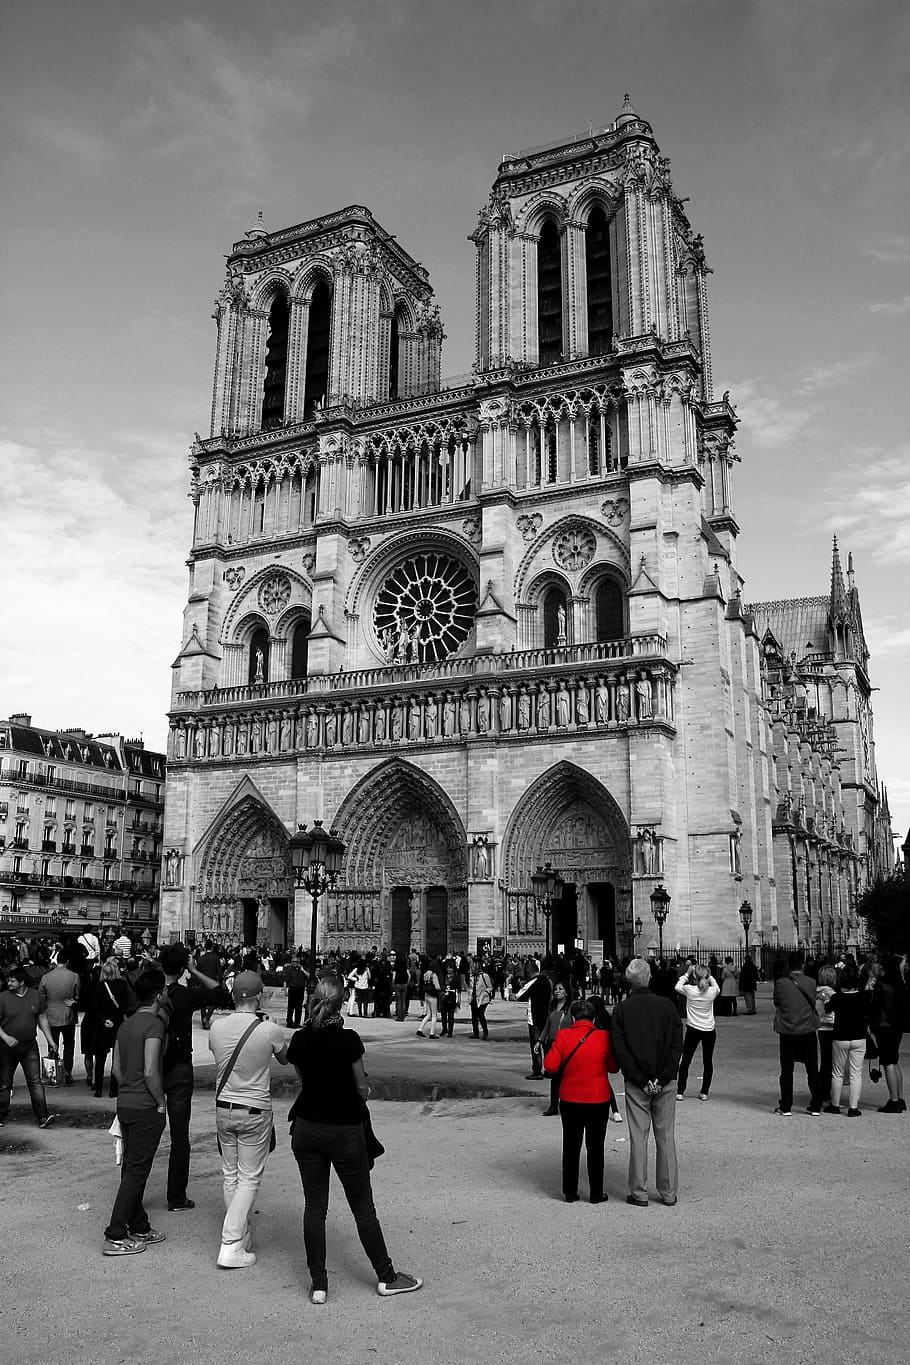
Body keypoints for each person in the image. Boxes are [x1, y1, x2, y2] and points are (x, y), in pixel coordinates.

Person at [288, 977, 422, 1303]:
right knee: (362, 1207)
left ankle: (319, 1284)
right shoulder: (348, 1039)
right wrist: (361, 1091)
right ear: (341, 1003)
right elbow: (361, 1087)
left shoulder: (300, 1039)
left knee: (314, 1207)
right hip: (344, 1130)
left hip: (306, 1128)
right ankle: (386, 1277)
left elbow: (305, 1082)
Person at [208, 970, 288, 1269]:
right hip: (254, 1108)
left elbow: (218, 1053)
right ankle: (230, 1242)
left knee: (231, 1174)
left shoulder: (217, 1026)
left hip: (223, 1106)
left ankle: (240, 1236)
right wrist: (271, 1028)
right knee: (250, 1177)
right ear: (260, 996)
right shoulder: (268, 1030)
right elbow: (284, 1058)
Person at [158, 942, 232, 1213]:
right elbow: (222, 994)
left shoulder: (149, 992)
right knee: (179, 1135)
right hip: (178, 1067)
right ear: (181, 968)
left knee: (144, 1134)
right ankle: (176, 1197)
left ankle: (132, 1193)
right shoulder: (185, 995)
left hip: (150, 1067)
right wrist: (194, 970)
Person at [102, 968, 168, 1256]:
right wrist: (161, 1100)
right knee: (137, 1170)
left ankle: (138, 1222)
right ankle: (116, 1232)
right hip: (145, 1104)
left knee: (131, 1166)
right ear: (159, 995)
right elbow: (152, 1069)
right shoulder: (154, 1026)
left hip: (126, 1101)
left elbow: (116, 1069)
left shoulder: (125, 1025)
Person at [610, 958, 683, 1207]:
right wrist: (661, 1078)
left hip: (637, 1082)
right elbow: (676, 1047)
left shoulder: (621, 1010)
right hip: (665, 1081)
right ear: (649, 977)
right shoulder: (667, 1006)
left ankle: (639, 1192)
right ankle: (669, 1192)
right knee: (665, 1136)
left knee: (638, 1138)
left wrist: (641, 1080)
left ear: (628, 981)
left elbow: (620, 1050)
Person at [543, 997, 619, 1203]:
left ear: (573, 1017)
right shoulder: (604, 1037)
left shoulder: (563, 1035)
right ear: (593, 1017)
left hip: (570, 1098)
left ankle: (570, 1191)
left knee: (571, 1146)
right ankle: (596, 1192)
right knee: (596, 1147)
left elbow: (550, 1065)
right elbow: (613, 1067)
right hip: (598, 1097)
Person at [0, 963, 56, 1128]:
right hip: (6, 1046)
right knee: (4, 1082)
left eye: (12, 981)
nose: (8, 983)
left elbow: (42, 1017)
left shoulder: (35, 995)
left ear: (21, 982)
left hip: (29, 1044)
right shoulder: (2, 998)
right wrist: (5, 1037)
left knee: (35, 1080)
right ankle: (0, 1114)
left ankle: (42, 1116)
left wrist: (50, 1040)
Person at [772, 955, 823, 1116]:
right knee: (812, 1069)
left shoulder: (780, 983)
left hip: (788, 1031)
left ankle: (786, 1105)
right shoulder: (811, 982)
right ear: (802, 966)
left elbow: (777, 1002)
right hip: (807, 1030)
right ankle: (816, 1104)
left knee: (786, 1070)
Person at [824, 963, 871, 1117]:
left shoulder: (838, 997)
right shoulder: (863, 997)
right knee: (856, 1074)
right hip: (859, 1037)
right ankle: (853, 1107)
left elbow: (827, 1009)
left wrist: (826, 999)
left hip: (840, 1036)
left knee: (837, 1073)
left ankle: (835, 1105)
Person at [675, 965, 720, 1101]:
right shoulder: (712, 991)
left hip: (693, 1028)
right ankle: (704, 1091)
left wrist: (687, 974)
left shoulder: (690, 990)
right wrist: (709, 976)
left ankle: (680, 1090)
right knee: (707, 1061)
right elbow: (717, 988)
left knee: (686, 1060)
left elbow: (677, 986)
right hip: (709, 1029)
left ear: (695, 976)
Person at [867, 958, 905, 1113]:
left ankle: (894, 1100)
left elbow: (874, 1009)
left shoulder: (880, 987)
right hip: (897, 1026)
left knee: (888, 1062)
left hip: (884, 1027)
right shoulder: (899, 984)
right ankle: (899, 1098)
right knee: (894, 1061)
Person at [37, 953, 81, 1085]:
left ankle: (52, 1073)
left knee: (52, 1044)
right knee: (69, 1044)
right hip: (68, 1014)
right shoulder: (74, 976)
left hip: (51, 1014)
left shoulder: (46, 977)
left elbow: (41, 996)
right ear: (67, 961)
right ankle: (67, 1072)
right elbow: (77, 995)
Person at [88, 958, 129, 1098]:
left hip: (102, 1023)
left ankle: (98, 1088)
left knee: (100, 1059)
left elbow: (95, 1007)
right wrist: (113, 1020)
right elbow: (123, 1006)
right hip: (117, 1023)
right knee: (116, 1059)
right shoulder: (122, 985)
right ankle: (113, 1088)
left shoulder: (98, 986)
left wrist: (103, 1019)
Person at [537, 981, 573, 1115]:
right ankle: (553, 1106)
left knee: (566, 1077)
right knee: (555, 1077)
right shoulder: (553, 1008)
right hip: (552, 1045)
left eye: (560, 989)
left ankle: (567, 1104)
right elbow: (547, 1026)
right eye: (556, 989)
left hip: (566, 1045)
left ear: (566, 992)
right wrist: (540, 1040)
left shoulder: (570, 1009)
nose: (557, 991)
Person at [515, 963, 553, 1079]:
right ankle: (550, 1069)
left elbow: (519, 996)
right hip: (547, 1016)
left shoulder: (532, 982)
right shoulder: (548, 981)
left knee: (536, 1045)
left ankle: (537, 1071)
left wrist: (520, 986)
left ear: (528, 972)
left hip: (535, 1017)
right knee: (547, 1045)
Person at [814, 965, 838, 1108]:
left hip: (821, 1028)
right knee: (831, 1063)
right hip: (831, 1028)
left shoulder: (817, 991)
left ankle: (823, 1090)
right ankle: (827, 1092)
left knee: (825, 1061)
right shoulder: (831, 993)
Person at [469, 959, 494, 1039]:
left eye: (473, 967)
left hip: (483, 999)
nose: (472, 968)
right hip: (474, 998)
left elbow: (490, 987)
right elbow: (470, 987)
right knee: (474, 1016)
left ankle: (485, 1032)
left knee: (481, 1014)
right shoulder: (471, 977)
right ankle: (475, 1032)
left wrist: (485, 992)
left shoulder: (484, 976)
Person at [416, 959, 441, 1038]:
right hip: (433, 996)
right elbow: (437, 987)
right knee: (434, 1015)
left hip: (426, 995)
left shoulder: (425, 974)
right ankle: (432, 1033)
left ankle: (420, 1029)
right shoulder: (434, 975)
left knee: (428, 1014)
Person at [283, 957, 308, 1029]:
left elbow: (309, 976)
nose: (294, 963)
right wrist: (285, 991)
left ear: (299, 962)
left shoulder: (302, 969)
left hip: (300, 989)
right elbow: (285, 981)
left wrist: (303, 970)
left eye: (296, 962)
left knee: (299, 1007)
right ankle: (289, 1022)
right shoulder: (289, 970)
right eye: (293, 961)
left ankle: (297, 1022)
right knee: (291, 1007)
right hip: (292, 989)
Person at [393, 953, 411, 1022]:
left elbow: (394, 977)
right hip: (404, 984)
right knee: (403, 1001)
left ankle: (399, 1017)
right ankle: (403, 1016)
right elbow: (409, 976)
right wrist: (407, 983)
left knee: (398, 1001)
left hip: (398, 984)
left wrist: (393, 983)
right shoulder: (405, 966)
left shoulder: (396, 967)